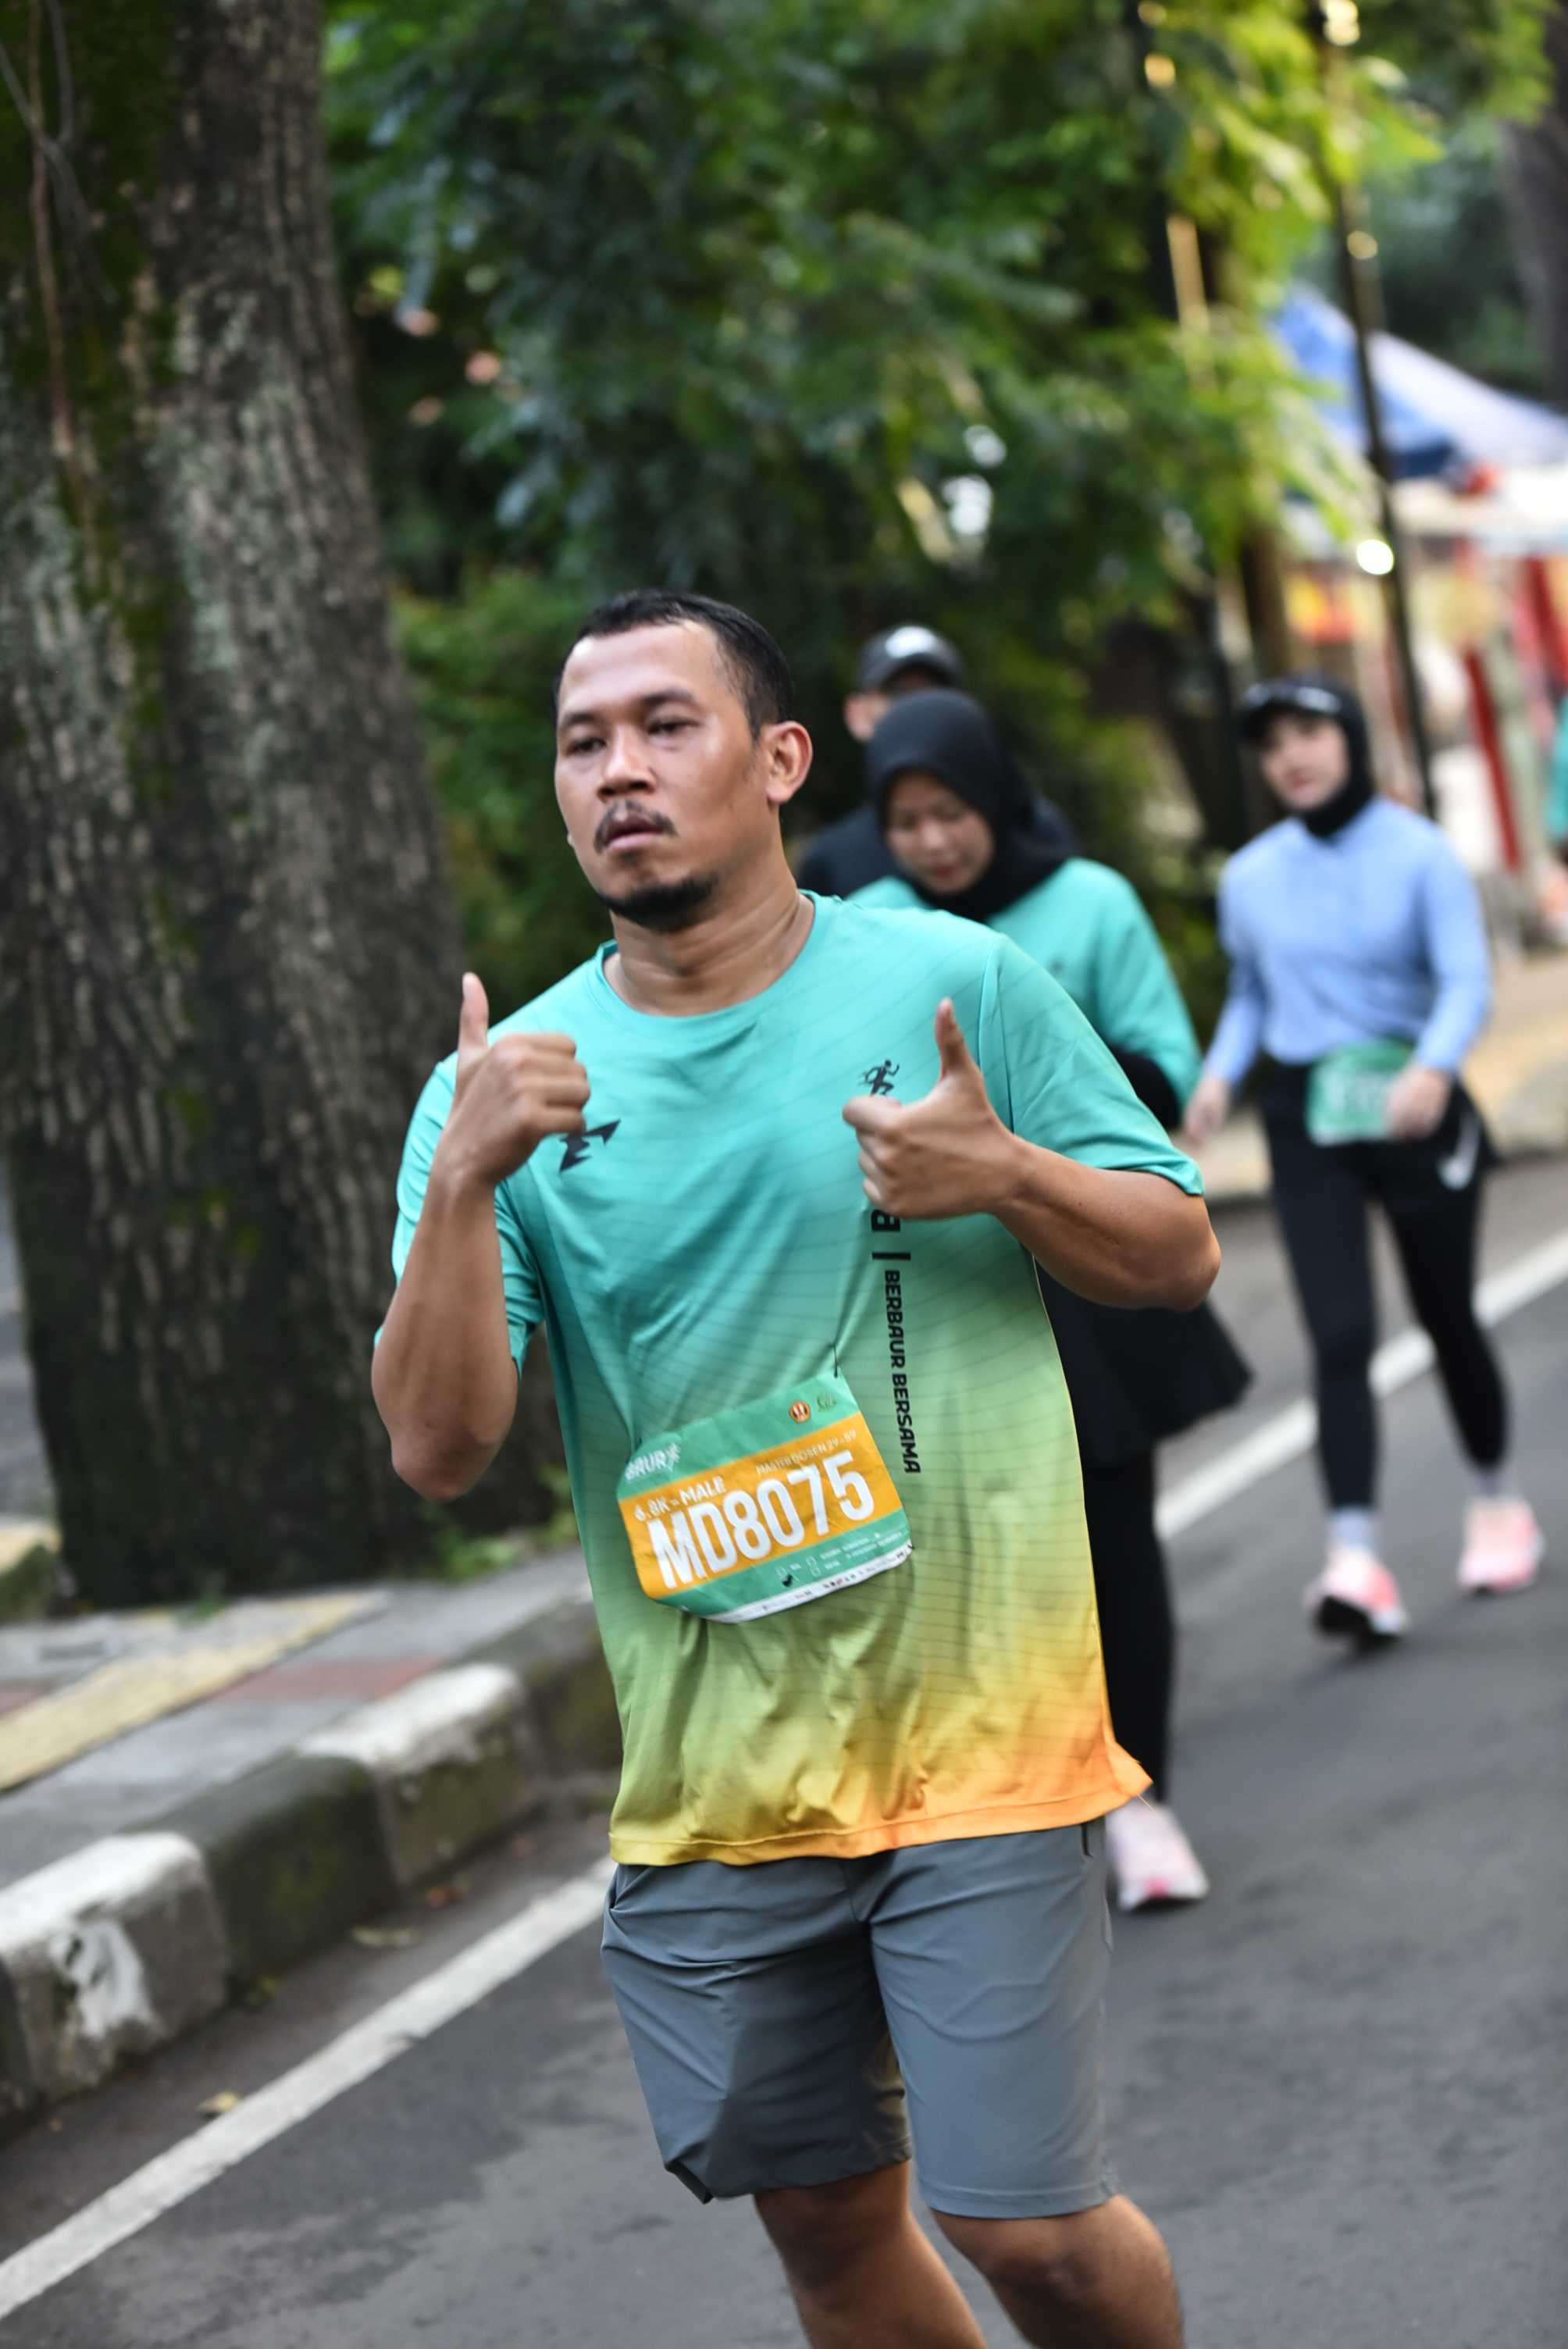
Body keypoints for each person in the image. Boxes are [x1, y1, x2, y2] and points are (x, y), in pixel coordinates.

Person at [375, 589, 1219, 2349]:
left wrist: (1006, 1175)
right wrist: (460, 1186)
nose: (617, 770)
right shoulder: (499, 1094)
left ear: (776, 761)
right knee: (830, 2231)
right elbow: (438, 1447)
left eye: (662, 726)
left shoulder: (951, 982)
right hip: (718, 1773)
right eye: (582, 741)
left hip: (979, 1726)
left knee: (1029, 2228)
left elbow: (1172, 1253)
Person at [850, 689, 1249, 1912]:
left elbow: (1164, 1068)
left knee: (1115, 1535)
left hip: (1079, 1260)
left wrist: (1022, 1097)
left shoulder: (1088, 902)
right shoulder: (864, 926)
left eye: (952, 812)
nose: (933, 842)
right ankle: (1011, 1811)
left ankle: (1146, 1803)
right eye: (906, 821)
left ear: (997, 796)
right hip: (939, 1280)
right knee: (960, 1555)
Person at [1184, 674, 1544, 1640]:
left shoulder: (1419, 853)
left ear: (1348, 736)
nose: (1290, 756)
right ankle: (1354, 1558)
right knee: (1338, 1334)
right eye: (1272, 745)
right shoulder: (1250, 875)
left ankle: (1497, 1500)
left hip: (1413, 1104)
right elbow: (1252, 992)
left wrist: (1433, 1067)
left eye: (1308, 732)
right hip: (1309, 1119)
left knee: (1444, 1313)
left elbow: (1464, 979)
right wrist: (1218, 1077)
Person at [796, 623, 1074, 896]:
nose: (934, 843)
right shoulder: (831, 862)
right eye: (898, 693)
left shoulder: (1040, 834)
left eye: (937, 691)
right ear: (857, 714)